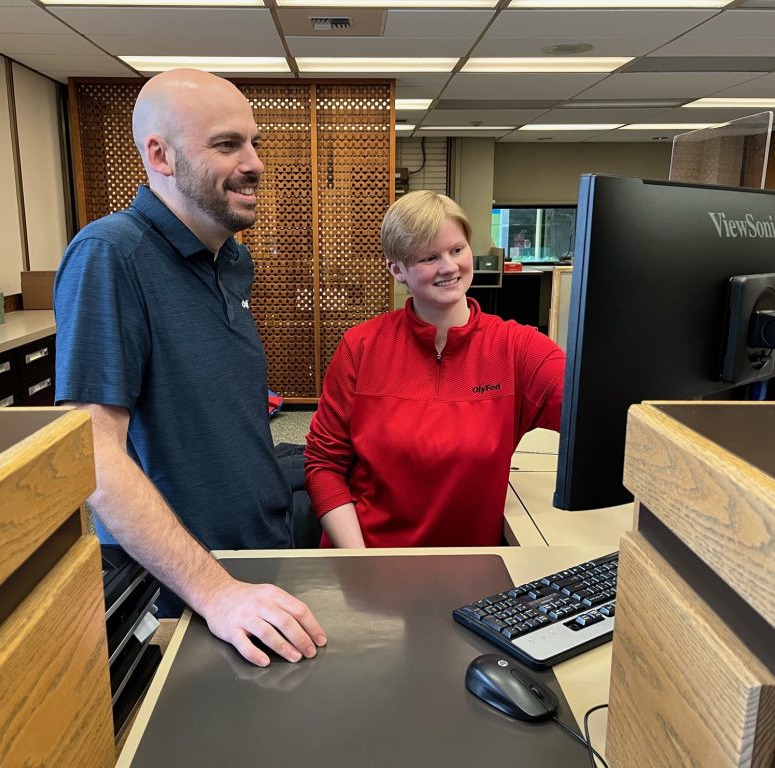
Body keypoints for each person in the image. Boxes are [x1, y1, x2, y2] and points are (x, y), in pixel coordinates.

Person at [54, 69, 326, 667]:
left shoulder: (231, 260)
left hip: (254, 559)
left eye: (254, 143)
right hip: (184, 588)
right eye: (227, 145)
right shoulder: (111, 254)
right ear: (160, 155)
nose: (254, 162)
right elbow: (93, 455)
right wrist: (215, 592)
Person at [304, 191, 565, 548]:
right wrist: (360, 562)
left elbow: (592, 415)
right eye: (429, 257)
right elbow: (324, 465)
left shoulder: (518, 348)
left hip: (466, 570)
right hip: (366, 561)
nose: (449, 267)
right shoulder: (361, 348)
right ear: (397, 270)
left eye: (457, 250)